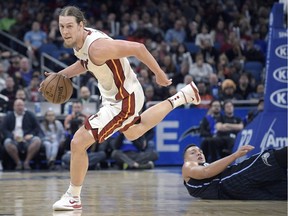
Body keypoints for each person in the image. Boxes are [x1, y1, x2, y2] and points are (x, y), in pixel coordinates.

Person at [39, 6, 201, 211]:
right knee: (133, 131)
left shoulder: (98, 47)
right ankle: (184, 96)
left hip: (124, 99)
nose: (65, 31)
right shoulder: (80, 43)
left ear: (82, 25)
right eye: (62, 26)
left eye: (70, 26)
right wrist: (60, 75)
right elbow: (85, 63)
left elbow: (139, 49)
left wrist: (159, 74)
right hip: (117, 95)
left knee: (78, 142)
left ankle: (73, 196)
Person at [182, 144, 287, 200]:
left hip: (234, 193)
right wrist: (235, 155)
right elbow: (206, 172)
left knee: (281, 190)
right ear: (185, 159)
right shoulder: (187, 165)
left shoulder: (206, 165)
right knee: (266, 159)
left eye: (200, 151)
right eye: (193, 152)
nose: (199, 153)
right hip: (228, 183)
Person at [1, 99, 42, 170]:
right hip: (14, 139)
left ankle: (27, 162)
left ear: (24, 106)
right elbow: (4, 129)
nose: (20, 107)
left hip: (27, 140)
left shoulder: (30, 115)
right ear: (14, 107)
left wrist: (31, 135)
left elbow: (37, 128)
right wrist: (12, 136)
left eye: (21, 105)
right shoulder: (8, 116)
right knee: (7, 142)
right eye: (18, 105)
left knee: (37, 140)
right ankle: (18, 163)